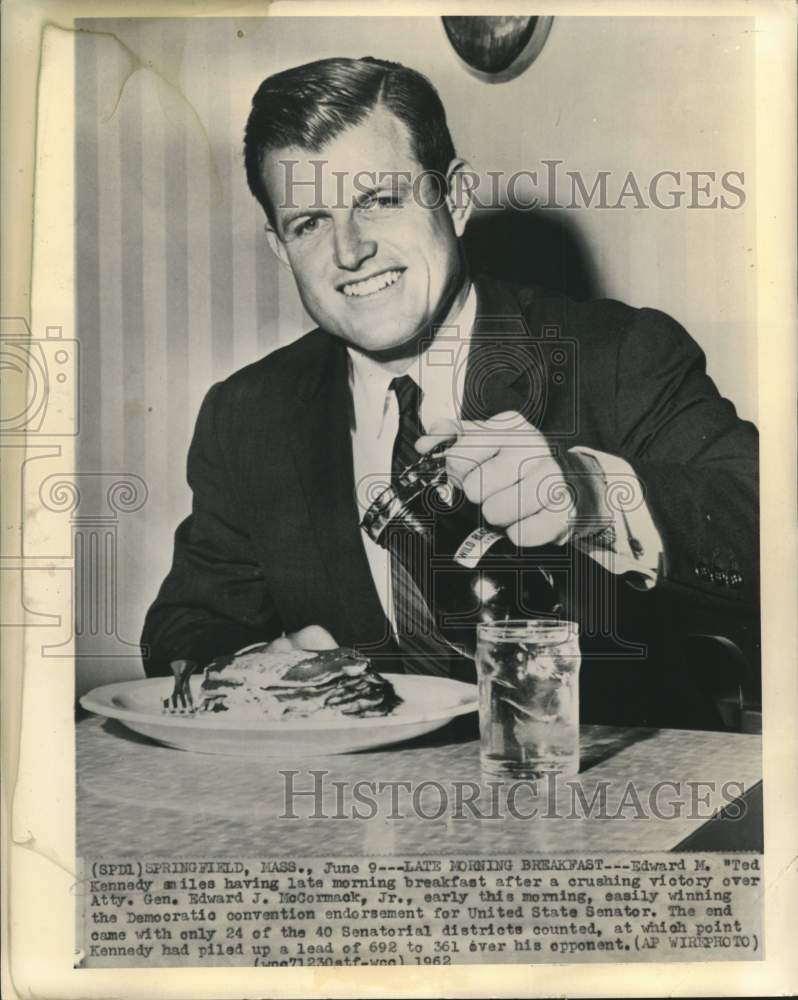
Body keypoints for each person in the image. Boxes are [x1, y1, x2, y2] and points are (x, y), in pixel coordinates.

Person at [142, 57, 758, 726]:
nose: (349, 252)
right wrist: (264, 669)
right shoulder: (249, 413)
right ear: (279, 246)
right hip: (354, 817)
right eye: (310, 222)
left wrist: (589, 496)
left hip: (604, 796)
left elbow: (767, 533)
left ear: (456, 198)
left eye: (380, 200)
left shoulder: (618, 354)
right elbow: (190, 627)